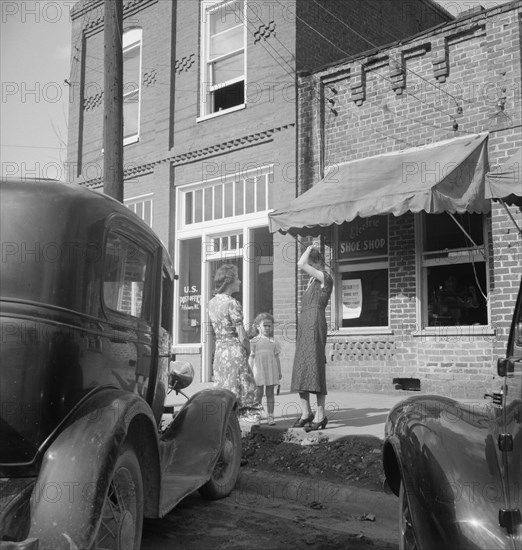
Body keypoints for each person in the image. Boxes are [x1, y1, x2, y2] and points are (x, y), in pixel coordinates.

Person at [208, 264, 261, 422]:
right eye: (237, 278)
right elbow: (242, 335)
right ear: (229, 281)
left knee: (225, 387)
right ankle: (249, 421)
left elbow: (213, 332)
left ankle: (227, 423)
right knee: (245, 385)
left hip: (220, 352)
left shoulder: (211, 303)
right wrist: (248, 349)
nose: (239, 281)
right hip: (234, 351)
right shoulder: (232, 303)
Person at [291, 245, 333, 432]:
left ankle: (321, 414)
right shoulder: (311, 281)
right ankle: (306, 413)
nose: (309, 268)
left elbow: (300, 263)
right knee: (302, 366)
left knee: (315, 365)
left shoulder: (325, 278)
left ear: (316, 262)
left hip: (315, 323)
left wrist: (308, 248)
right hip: (304, 324)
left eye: (311, 264)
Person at [249, 313, 282, 426]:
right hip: (258, 371)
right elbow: (251, 357)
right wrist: (249, 371)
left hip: (270, 370)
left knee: (270, 393)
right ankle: (257, 416)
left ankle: (271, 416)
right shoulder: (254, 341)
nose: (267, 328)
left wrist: (279, 371)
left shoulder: (274, 342)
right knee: (258, 394)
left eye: (269, 326)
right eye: (265, 325)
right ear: (258, 326)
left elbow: (277, 358)